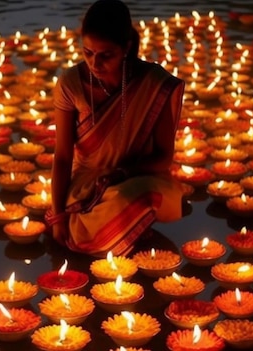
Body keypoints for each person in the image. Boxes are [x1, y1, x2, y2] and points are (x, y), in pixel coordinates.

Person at [46, 0, 185, 257]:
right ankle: (125, 233)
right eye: (88, 53)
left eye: (105, 55)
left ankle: (124, 229)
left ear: (126, 48)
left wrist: (122, 173)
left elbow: (163, 158)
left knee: (135, 196)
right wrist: (58, 216)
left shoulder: (154, 83)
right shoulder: (70, 83)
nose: (95, 64)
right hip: (87, 185)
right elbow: (63, 156)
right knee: (81, 223)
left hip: (136, 179)